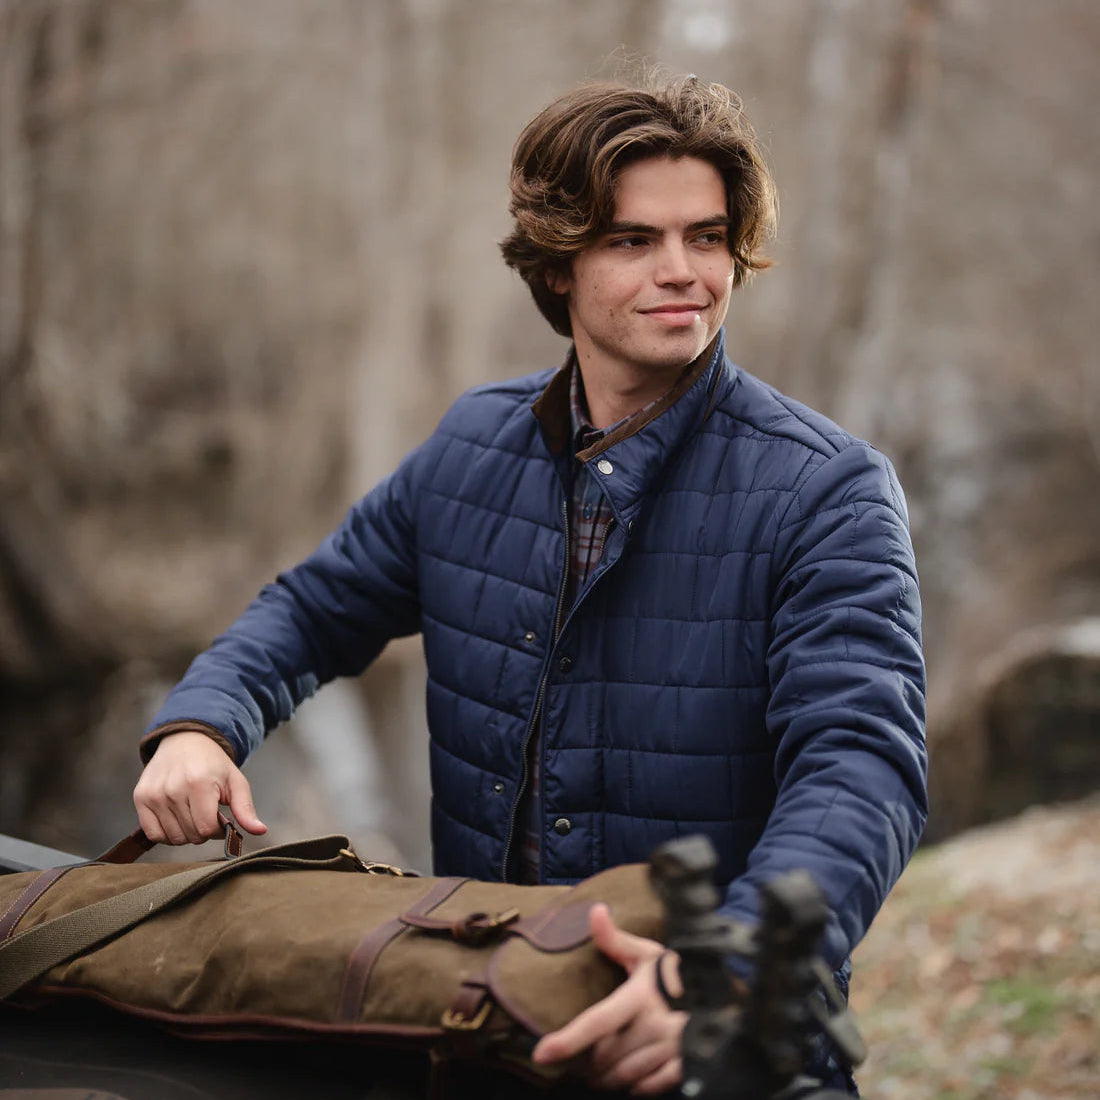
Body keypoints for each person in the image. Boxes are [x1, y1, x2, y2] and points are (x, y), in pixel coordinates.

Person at [134, 73, 927, 1096]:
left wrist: (734, 972)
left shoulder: (826, 490)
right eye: (633, 240)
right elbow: (314, 607)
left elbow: (860, 768)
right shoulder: (473, 444)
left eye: (706, 236)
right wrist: (203, 722)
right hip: (483, 1029)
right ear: (556, 263)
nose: (683, 272)